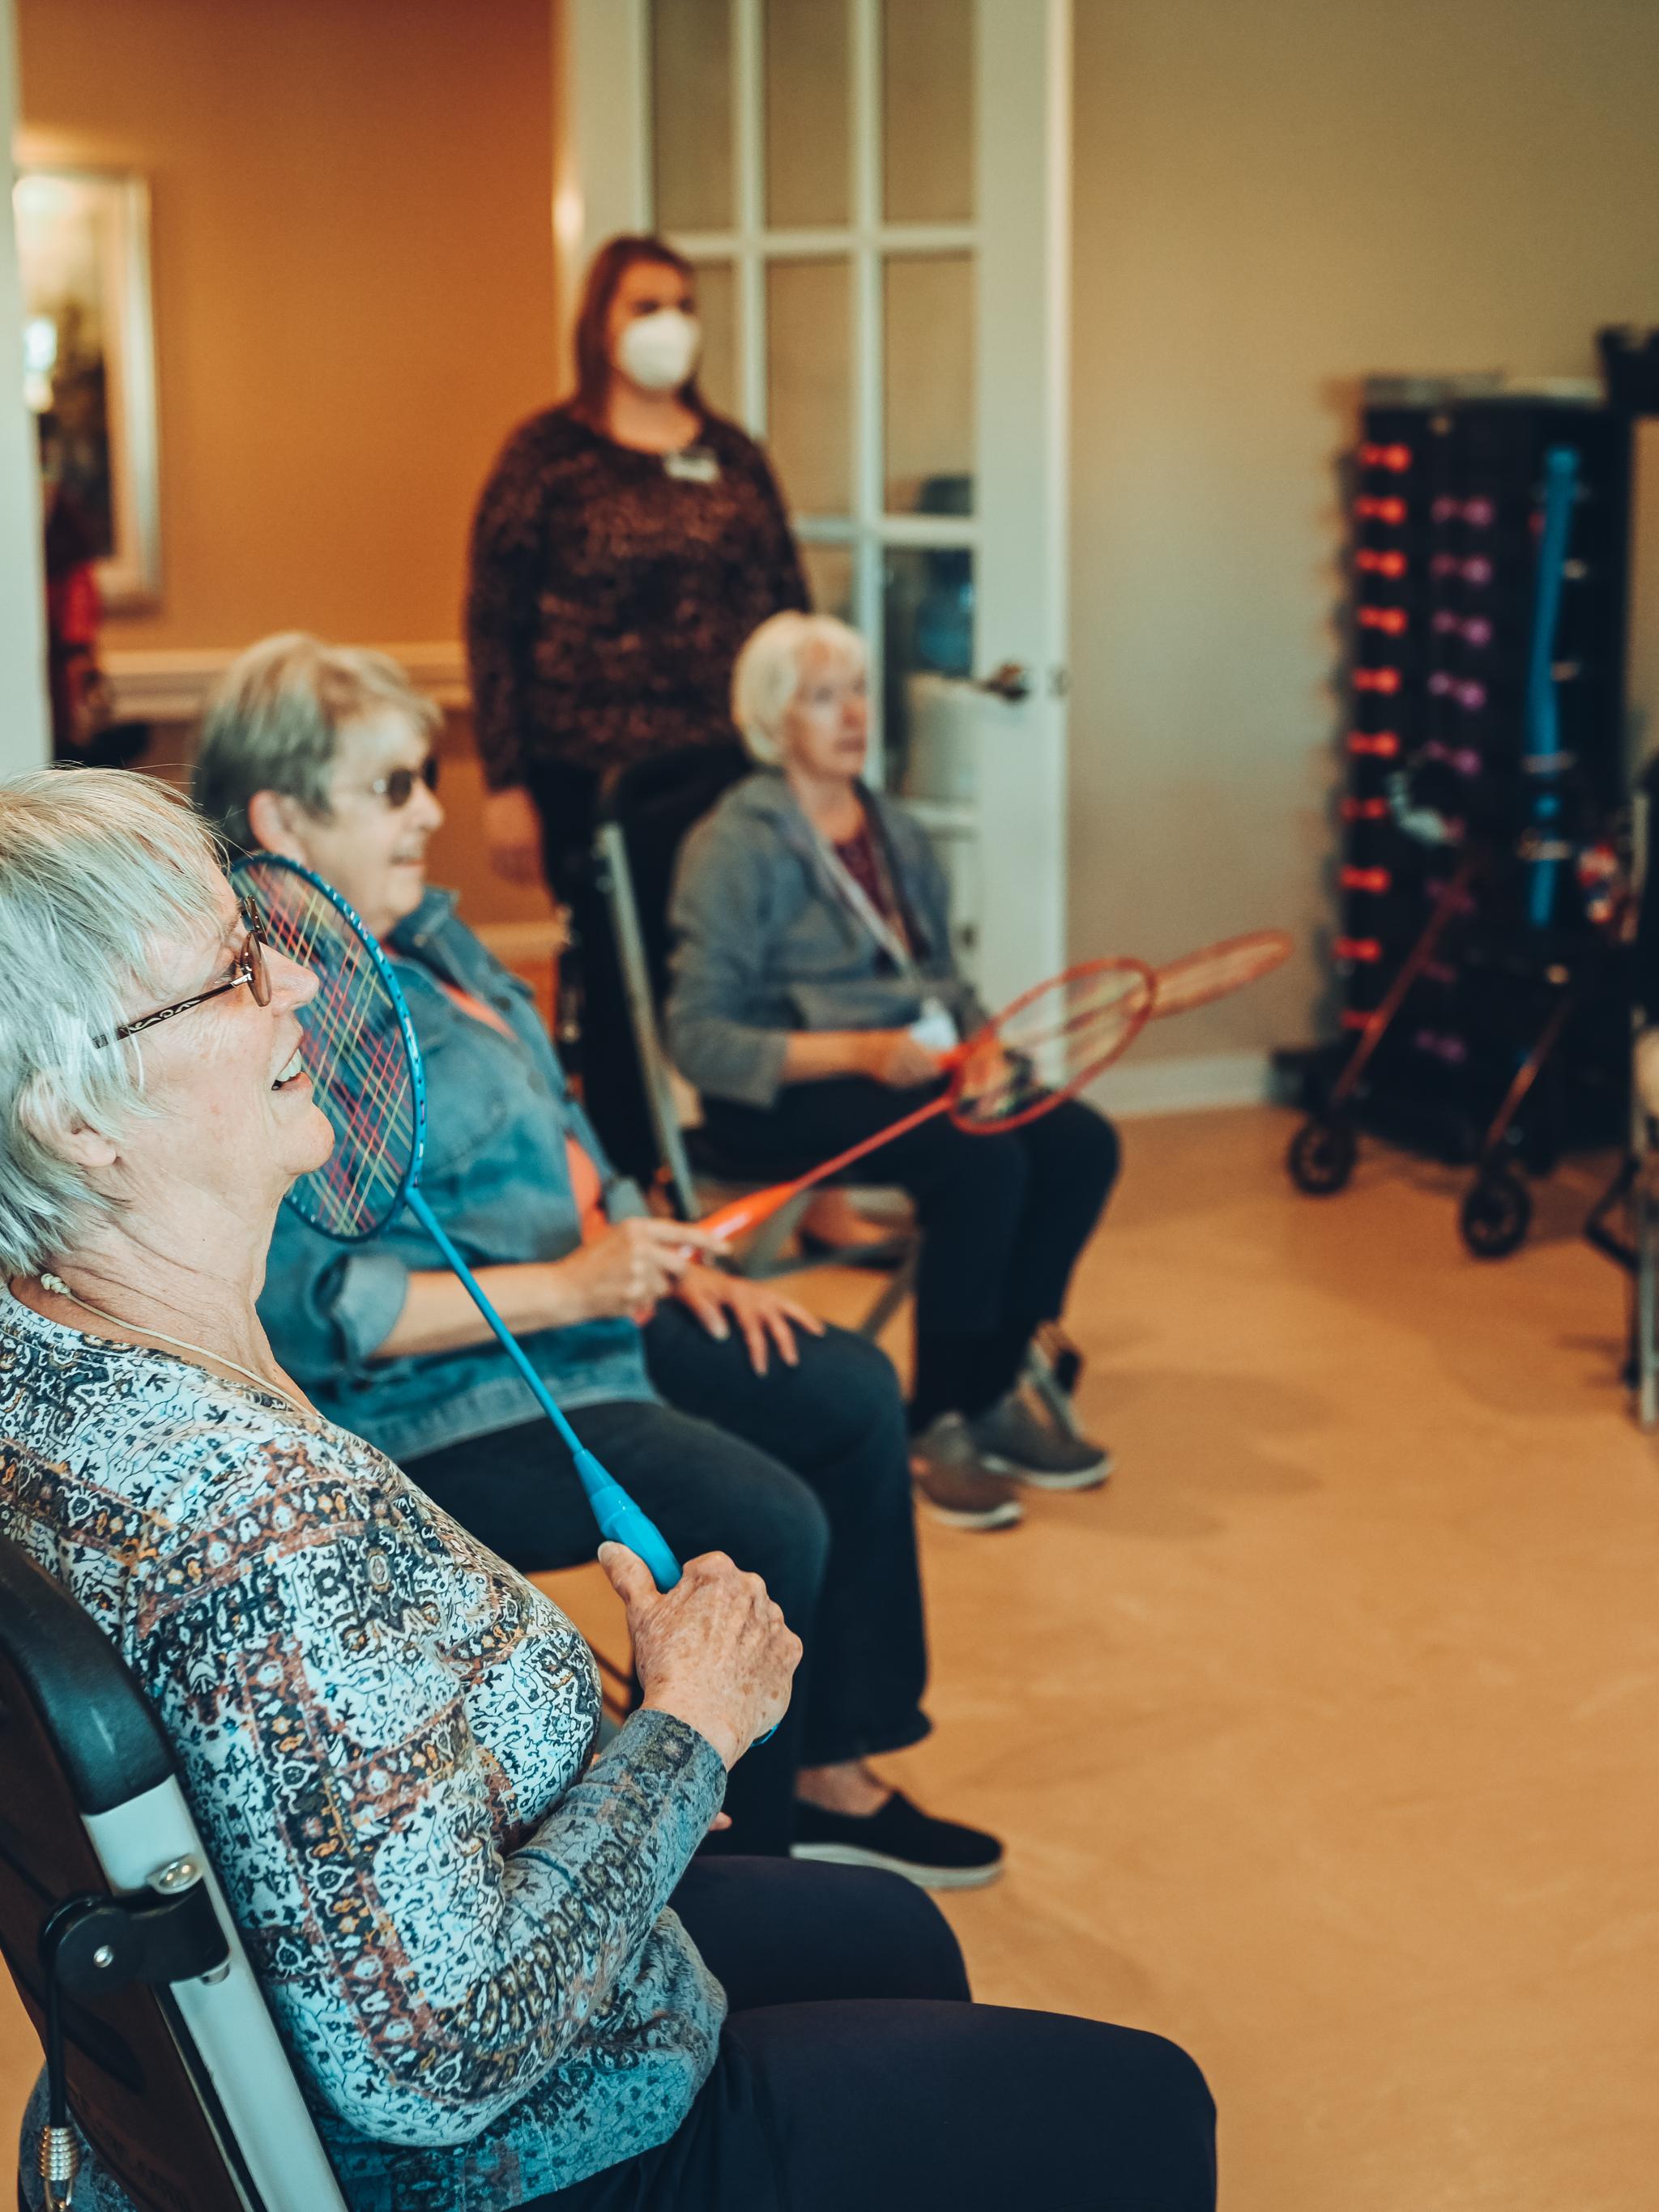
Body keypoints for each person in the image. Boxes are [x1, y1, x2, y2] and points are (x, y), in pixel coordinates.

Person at [1, 765, 1217, 2212]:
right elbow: (435, 2055)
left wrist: (605, 1754)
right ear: (77, 1117)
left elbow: (326, 1777)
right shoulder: (257, 1523)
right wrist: (689, 1731)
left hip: (296, 2063)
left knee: (887, 1935)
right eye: (232, 970)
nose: (305, 982)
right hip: (526, 2157)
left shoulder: (56, 1364)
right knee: (1144, 2106)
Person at [190, 631, 1004, 1882]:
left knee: (843, 1390)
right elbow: (314, 1313)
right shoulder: (277, 1010)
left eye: (425, 777)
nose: (433, 810)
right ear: (278, 816)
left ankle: (838, 1758)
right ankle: (735, 1886)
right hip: (450, 1392)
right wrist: (577, 1281)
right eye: (394, 787)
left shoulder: (430, 939)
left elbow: (567, 1127)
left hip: (596, 1300)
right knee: (762, 1518)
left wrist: (668, 1250)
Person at [667, 612, 1124, 1522]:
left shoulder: (894, 831)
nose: (851, 717)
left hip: (917, 1069)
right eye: (821, 697)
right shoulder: (733, 844)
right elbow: (699, 1039)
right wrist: (859, 1052)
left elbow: (945, 983)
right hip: (783, 1090)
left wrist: (984, 1044)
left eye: (858, 693)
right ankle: (939, 1417)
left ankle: (992, 1381)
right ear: (771, 719)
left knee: (1079, 1144)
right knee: (981, 1159)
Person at [465, 232, 808, 1186]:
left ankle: (789, 1183)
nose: (669, 325)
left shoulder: (730, 454)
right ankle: (628, 1186)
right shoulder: (548, 455)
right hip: (593, 777)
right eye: (644, 306)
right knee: (622, 988)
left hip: (730, 769)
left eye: (683, 306)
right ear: (600, 324)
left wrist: (804, 744)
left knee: (752, 971)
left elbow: (788, 607)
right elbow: (492, 622)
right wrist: (504, 783)